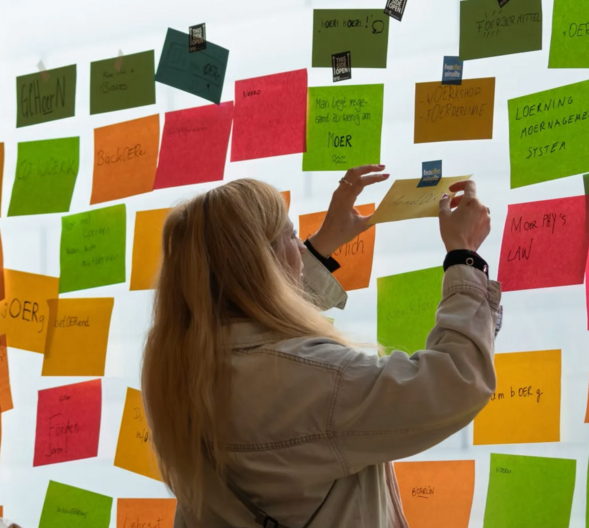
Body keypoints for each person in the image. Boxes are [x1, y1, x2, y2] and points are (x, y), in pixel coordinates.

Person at [142, 165, 500, 528]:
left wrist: (324, 242)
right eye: (291, 236)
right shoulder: (320, 380)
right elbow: (457, 379)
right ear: (261, 266)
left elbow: (260, 328)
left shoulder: (180, 366)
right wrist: (464, 257)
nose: (300, 247)